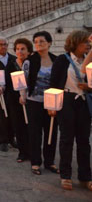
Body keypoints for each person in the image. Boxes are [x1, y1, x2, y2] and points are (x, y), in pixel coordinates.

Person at [51, 30, 91, 191]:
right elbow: (53, 83)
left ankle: (85, 176)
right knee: (66, 139)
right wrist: (51, 107)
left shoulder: (89, 61)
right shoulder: (62, 60)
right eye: (85, 43)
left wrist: (88, 87)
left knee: (84, 141)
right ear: (75, 43)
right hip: (66, 101)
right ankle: (65, 175)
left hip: (83, 101)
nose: (87, 45)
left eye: (88, 43)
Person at [26, 31, 59, 175]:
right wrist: (22, 96)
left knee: (51, 132)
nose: (38, 44)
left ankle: (50, 161)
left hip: (52, 102)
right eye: (36, 41)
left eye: (42, 41)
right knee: (35, 133)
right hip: (34, 101)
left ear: (49, 43)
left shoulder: (56, 60)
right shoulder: (30, 61)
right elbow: (23, 81)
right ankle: (35, 162)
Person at [5, 38, 32, 163]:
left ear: (28, 51)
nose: (20, 51)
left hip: (30, 99)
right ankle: (22, 152)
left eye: (23, 49)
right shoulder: (11, 64)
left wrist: (25, 95)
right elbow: (7, 82)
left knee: (31, 126)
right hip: (15, 100)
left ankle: (32, 151)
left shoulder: (32, 63)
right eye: (17, 49)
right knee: (19, 125)